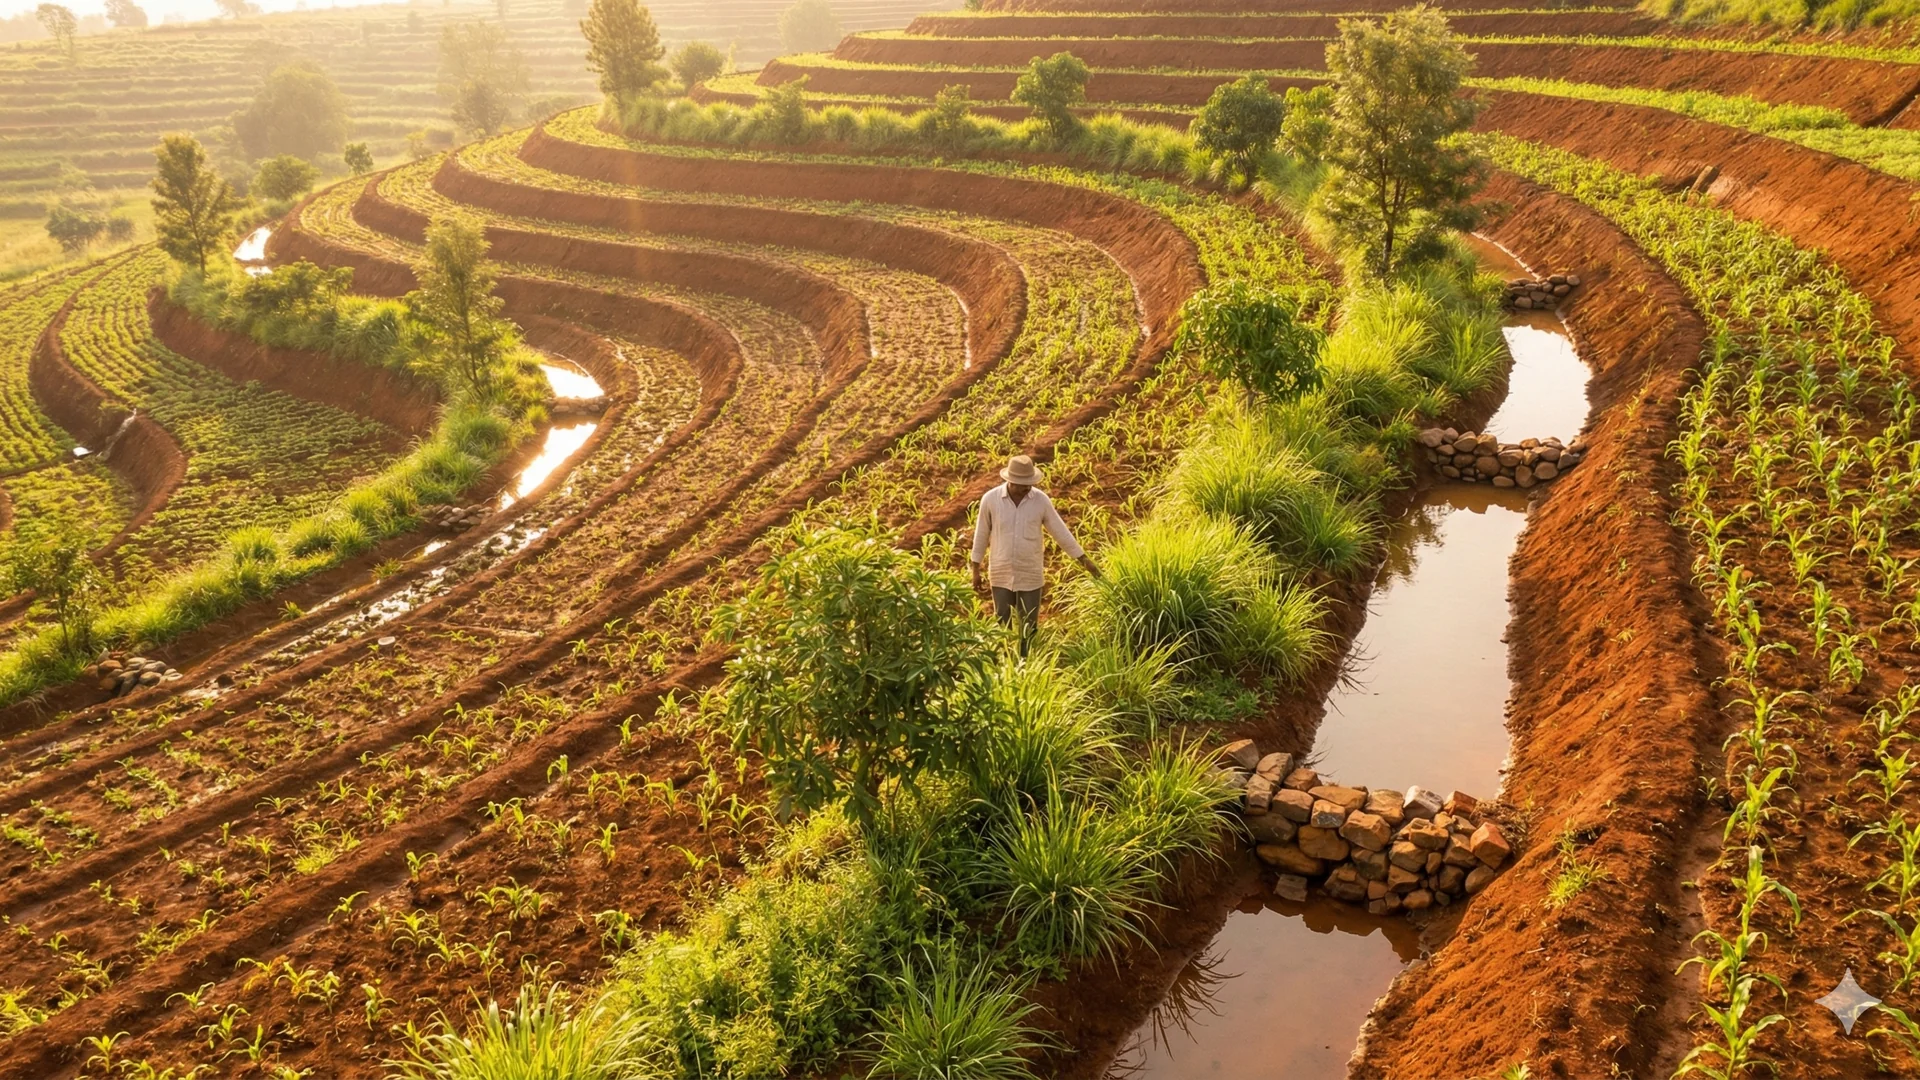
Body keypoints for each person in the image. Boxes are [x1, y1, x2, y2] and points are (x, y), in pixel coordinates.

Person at [970, 453, 1099, 653]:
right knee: (1001, 621)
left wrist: (1084, 560)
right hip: (1001, 570)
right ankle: (1004, 662)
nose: (1028, 486)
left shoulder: (1040, 501)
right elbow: (981, 534)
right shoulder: (991, 500)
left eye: (1030, 482)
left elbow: (1060, 531)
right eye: (1023, 483)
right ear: (1010, 481)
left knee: (1029, 624)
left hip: (1030, 571)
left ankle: (1026, 661)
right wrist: (975, 569)